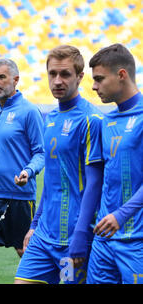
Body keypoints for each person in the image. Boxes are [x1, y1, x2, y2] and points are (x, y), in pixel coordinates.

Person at [14, 45, 103, 284]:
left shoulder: (91, 121)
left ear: (80, 77)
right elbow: (53, 181)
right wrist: (34, 224)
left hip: (73, 239)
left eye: (65, 74)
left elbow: (95, 185)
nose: (57, 81)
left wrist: (81, 236)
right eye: (52, 74)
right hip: (43, 237)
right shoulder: (50, 118)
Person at [73, 43, 143, 284]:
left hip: (137, 241)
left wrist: (121, 215)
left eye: (100, 79)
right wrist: (82, 232)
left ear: (121, 75)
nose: (93, 86)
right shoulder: (104, 122)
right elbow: (97, 182)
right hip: (104, 240)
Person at [0, 58, 44, 281]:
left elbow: (41, 152)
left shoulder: (29, 112)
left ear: (15, 80)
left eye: (1, 77)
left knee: (24, 251)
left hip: (19, 195)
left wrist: (29, 171)